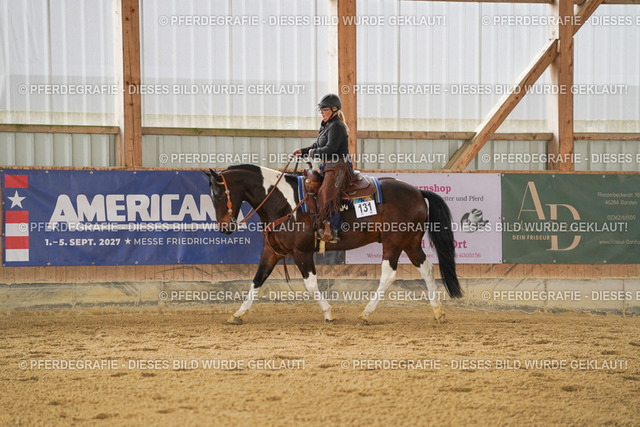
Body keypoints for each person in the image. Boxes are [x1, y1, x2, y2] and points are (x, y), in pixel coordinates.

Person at [293, 93, 353, 243]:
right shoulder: (326, 125)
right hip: (328, 166)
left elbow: (330, 148)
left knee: (326, 194)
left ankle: (334, 229)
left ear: (334, 109)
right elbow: (317, 145)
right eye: (321, 110)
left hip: (339, 166)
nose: (322, 112)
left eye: (324, 110)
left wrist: (312, 153)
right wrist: (303, 151)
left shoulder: (337, 126)